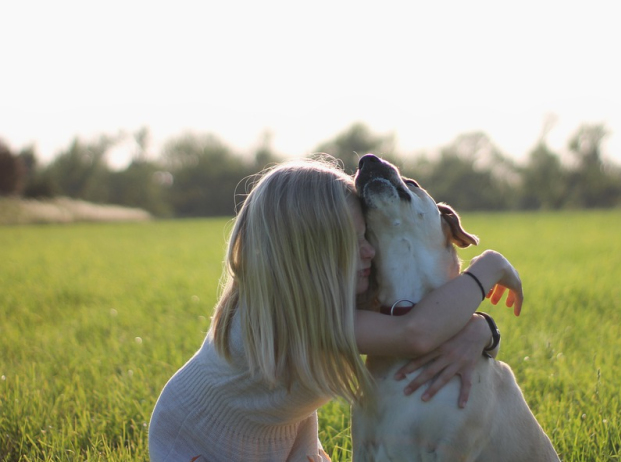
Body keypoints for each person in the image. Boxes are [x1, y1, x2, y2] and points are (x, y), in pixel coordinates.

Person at [148, 156, 523, 461]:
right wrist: (488, 267)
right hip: (200, 437)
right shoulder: (294, 317)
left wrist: (481, 329)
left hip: (277, 437)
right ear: (310, 254)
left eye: (368, 235)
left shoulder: (330, 295)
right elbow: (415, 333)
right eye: (355, 239)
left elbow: (426, 317)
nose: (369, 251)